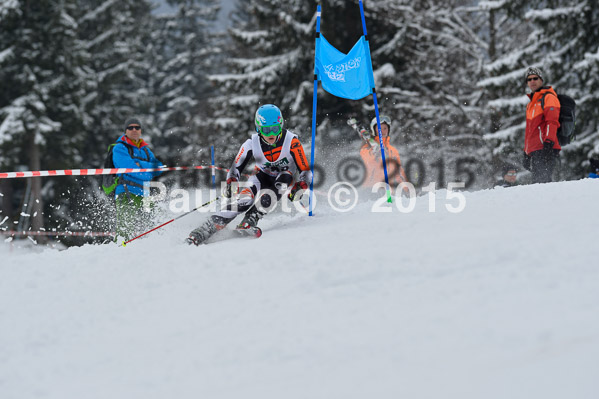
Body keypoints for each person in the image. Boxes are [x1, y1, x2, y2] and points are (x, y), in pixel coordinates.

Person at [186, 104, 312, 245]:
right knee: (244, 201)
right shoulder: (251, 143)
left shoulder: (292, 142)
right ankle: (205, 229)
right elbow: (236, 167)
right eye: (266, 130)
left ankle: (251, 218)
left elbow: (306, 170)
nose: (271, 134)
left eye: (275, 129)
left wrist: (301, 186)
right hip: (260, 175)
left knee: (278, 186)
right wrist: (231, 182)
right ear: (258, 128)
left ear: (281, 125)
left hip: (284, 176)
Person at [113, 117, 163, 241]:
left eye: (137, 127)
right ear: (125, 131)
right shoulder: (119, 148)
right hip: (126, 192)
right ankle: (118, 253)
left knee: (151, 229)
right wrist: (147, 170)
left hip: (146, 194)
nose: (134, 129)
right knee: (124, 231)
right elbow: (129, 168)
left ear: (140, 130)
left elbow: (160, 168)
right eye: (130, 127)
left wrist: (139, 165)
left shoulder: (146, 150)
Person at [521, 67, 561, 183]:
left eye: (535, 78)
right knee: (538, 185)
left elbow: (552, 122)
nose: (532, 81)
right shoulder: (531, 104)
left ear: (541, 80)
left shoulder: (549, 97)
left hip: (546, 147)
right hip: (535, 151)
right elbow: (530, 131)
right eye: (529, 79)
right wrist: (526, 152)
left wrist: (549, 142)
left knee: (542, 184)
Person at [359, 115, 408, 192]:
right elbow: (366, 157)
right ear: (374, 130)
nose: (382, 131)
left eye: (385, 128)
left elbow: (399, 172)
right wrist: (374, 151)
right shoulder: (366, 147)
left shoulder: (393, 150)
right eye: (379, 128)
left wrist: (407, 189)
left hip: (389, 191)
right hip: (370, 189)